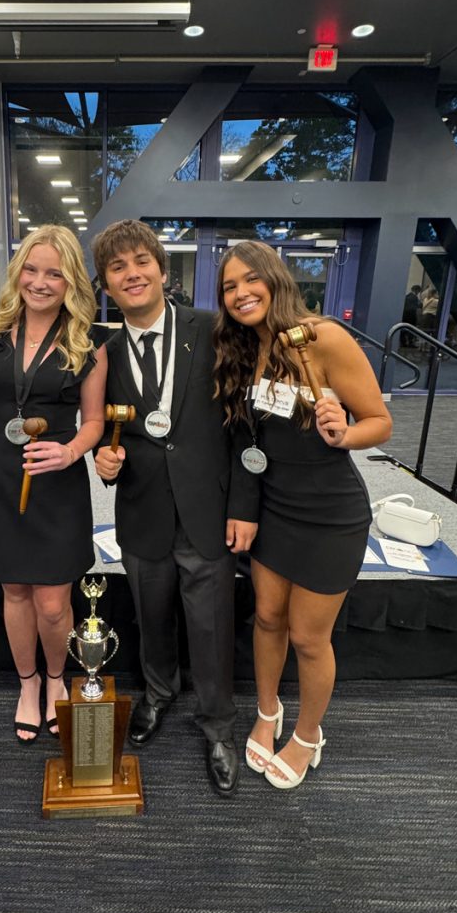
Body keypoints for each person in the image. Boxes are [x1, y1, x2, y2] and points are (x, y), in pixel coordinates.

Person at [213, 241, 392, 790]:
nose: (241, 293)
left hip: (329, 515)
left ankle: (309, 735)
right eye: (229, 286)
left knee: (310, 638)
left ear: (275, 280)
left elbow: (380, 422)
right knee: (268, 618)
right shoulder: (244, 349)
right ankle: (268, 711)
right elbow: (245, 443)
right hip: (273, 509)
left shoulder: (322, 338)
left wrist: (345, 433)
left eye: (251, 280)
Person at [92, 219, 259, 798]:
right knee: (150, 614)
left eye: (142, 261)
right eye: (118, 267)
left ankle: (218, 725)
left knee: (210, 624)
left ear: (163, 270)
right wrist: (103, 457)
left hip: (208, 509)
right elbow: (102, 427)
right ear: (106, 285)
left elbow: (245, 425)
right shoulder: (104, 352)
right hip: (142, 509)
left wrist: (244, 505)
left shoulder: (213, 330)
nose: (132, 274)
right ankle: (159, 692)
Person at [0, 225, 107, 743]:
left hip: (57, 481)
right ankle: (28, 683)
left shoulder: (88, 343)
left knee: (53, 603)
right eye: (32, 270)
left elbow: (94, 422)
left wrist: (70, 452)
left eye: (54, 274)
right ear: (18, 273)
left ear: (71, 282)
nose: (40, 282)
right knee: (14, 591)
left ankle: (57, 678)